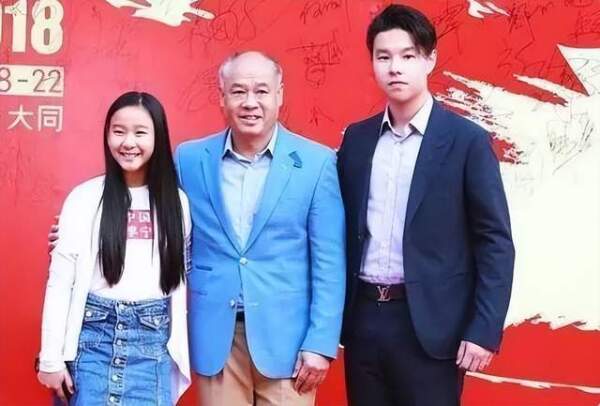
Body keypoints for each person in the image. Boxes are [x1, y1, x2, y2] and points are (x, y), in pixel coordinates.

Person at [337, 4, 515, 405]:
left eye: (408, 56)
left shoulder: (467, 141)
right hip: (364, 320)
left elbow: (495, 242)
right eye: (383, 57)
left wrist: (484, 328)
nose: (395, 68)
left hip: (434, 327)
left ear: (430, 59)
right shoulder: (357, 140)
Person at [175, 51, 346, 405]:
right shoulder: (189, 159)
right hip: (216, 338)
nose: (250, 102)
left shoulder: (316, 163)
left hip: (290, 344)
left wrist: (320, 343)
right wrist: (85, 230)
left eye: (261, 91)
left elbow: (330, 261)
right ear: (222, 97)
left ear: (279, 95)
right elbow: (156, 218)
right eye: (238, 91)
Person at [38, 92, 191, 405]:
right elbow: (60, 282)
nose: (128, 142)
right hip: (92, 342)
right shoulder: (84, 198)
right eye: (118, 131)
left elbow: (183, 276)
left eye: (140, 132)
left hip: (152, 348)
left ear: (158, 137)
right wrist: (50, 359)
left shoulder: (177, 204)